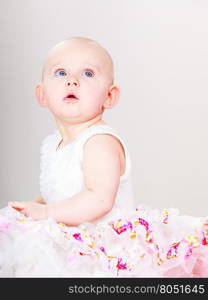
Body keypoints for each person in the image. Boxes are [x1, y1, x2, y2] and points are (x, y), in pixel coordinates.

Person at [0, 37, 207, 277]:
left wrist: (46, 214)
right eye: (60, 72)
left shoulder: (99, 142)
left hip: (103, 252)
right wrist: (34, 207)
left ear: (109, 97)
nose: (72, 80)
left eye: (87, 73)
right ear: (42, 94)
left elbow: (99, 199)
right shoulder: (52, 143)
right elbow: (54, 194)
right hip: (71, 244)